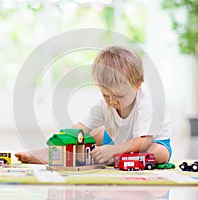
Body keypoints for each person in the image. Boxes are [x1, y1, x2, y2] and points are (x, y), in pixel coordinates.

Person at [15, 45, 172, 164]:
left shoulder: (146, 104)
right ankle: (48, 153)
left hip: (149, 143)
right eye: (105, 95)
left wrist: (114, 150)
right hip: (116, 140)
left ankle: (131, 158)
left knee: (159, 154)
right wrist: (62, 138)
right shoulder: (103, 105)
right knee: (87, 137)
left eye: (119, 96)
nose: (112, 101)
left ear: (137, 85)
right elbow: (82, 127)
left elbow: (143, 141)